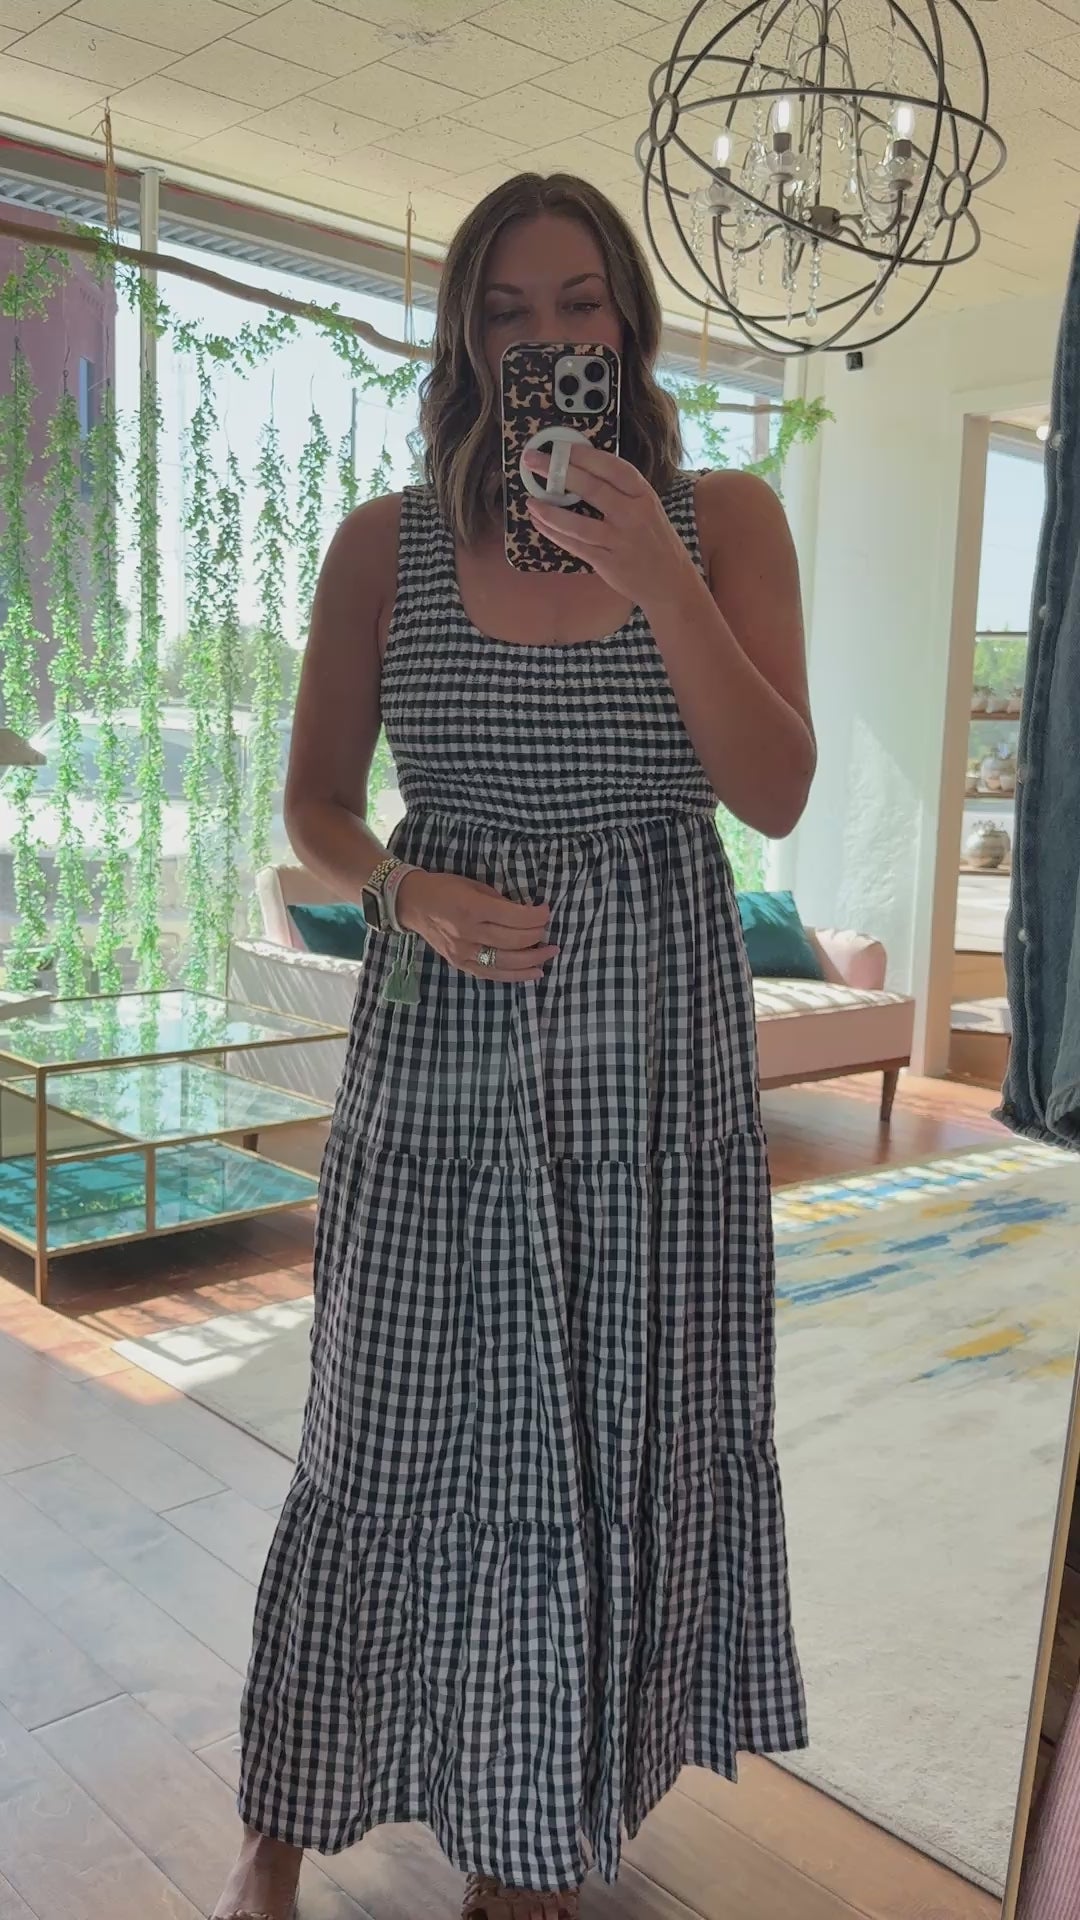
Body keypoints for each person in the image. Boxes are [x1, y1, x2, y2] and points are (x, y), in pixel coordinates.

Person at [214, 171, 814, 1920]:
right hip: (442, 1035)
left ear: (626, 323)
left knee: (609, 1436)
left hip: (651, 1056)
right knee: (379, 1426)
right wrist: (400, 892)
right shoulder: (383, 543)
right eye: (503, 311)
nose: (544, 338)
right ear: (464, 341)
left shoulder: (729, 523)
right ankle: (279, 1822)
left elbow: (773, 789)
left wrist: (658, 572)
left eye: (576, 304)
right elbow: (317, 808)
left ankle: (531, 1834)